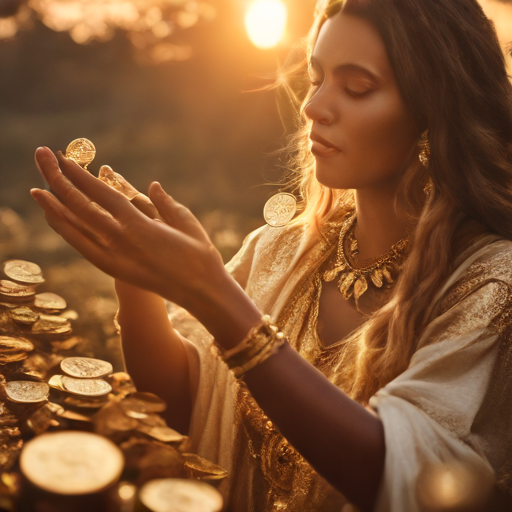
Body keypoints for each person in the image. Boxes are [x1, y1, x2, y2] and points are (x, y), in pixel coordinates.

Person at [30, 0, 512, 510]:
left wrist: (217, 298)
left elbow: (401, 477)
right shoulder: (280, 249)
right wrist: (137, 278)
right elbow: (181, 408)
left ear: (434, 113)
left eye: (357, 87)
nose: (313, 106)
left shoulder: (489, 288)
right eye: (317, 77)